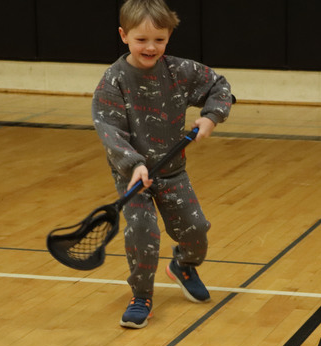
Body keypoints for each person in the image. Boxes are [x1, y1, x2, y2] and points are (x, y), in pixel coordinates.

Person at [92, 0, 233, 328]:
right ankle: (141, 295)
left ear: (169, 36)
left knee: (196, 229)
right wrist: (133, 165)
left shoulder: (180, 71)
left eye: (160, 39)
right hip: (134, 177)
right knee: (143, 231)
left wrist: (211, 117)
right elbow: (108, 130)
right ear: (123, 35)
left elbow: (219, 86)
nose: (151, 47)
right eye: (141, 40)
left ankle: (183, 266)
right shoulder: (113, 81)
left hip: (172, 171)